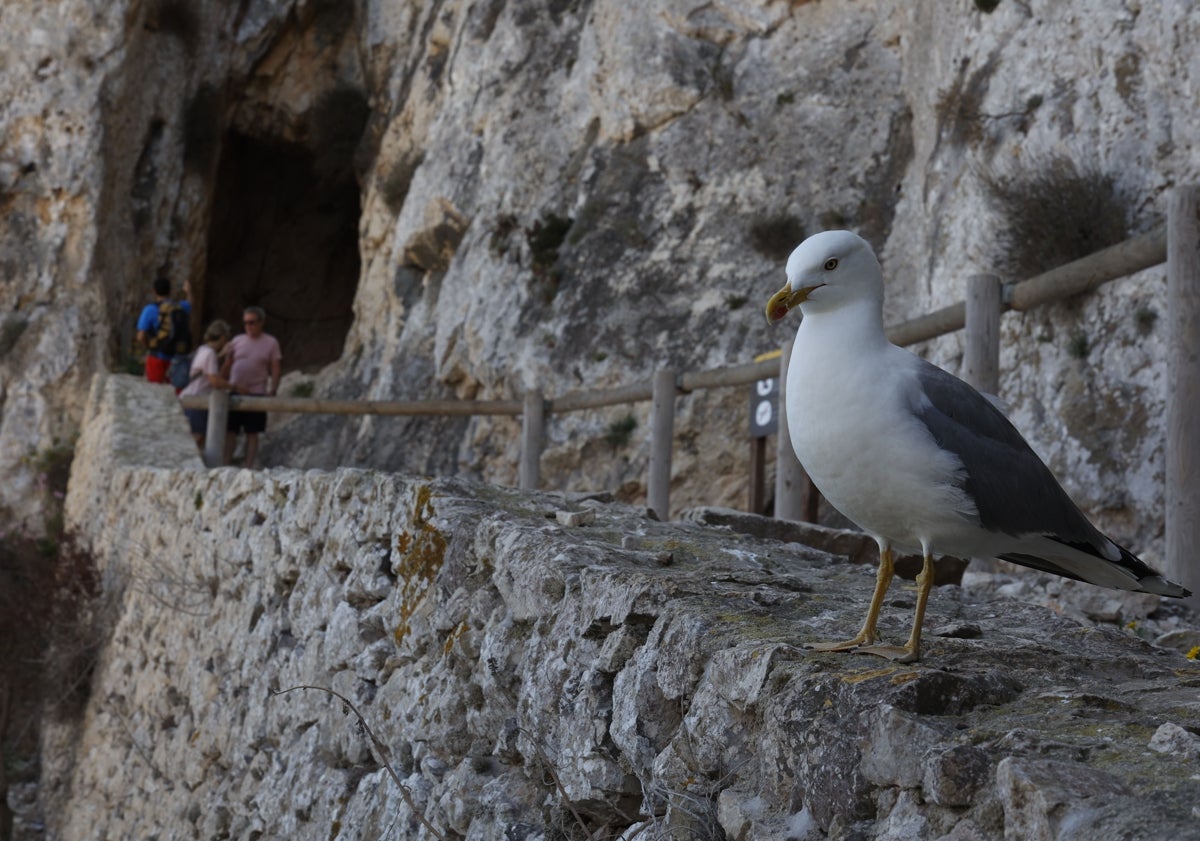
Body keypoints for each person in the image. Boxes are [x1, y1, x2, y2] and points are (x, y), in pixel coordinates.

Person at [222, 306, 282, 468]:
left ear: (261, 322)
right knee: (230, 431)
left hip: (257, 392)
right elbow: (228, 364)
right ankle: (225, 464)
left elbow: (275, 366)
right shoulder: (237, 340)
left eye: (252, 322)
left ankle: (249, 466)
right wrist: (222, 383)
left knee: (252, 431)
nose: (249, 326)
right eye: (246, 323)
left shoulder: (271, 342)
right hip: (235, 390)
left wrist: (273, 389)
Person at [179, 320, 236, 450]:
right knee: (198, 437)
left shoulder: (203, 349)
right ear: (222, 337)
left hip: (190, 396)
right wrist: (234, 387)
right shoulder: (210, 354)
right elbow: (215, 381)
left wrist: (221, 355)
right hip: (198, 399)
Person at [135, 277, 192, 383]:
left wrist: (148, 346)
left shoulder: (150, 309)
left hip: (157, 357)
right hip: (176, 357)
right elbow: (189, 304)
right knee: (173, 390)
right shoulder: (180, 307)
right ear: (170, 291)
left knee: (154, 390)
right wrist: (188, 291)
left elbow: (140, 336)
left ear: (154, 291)